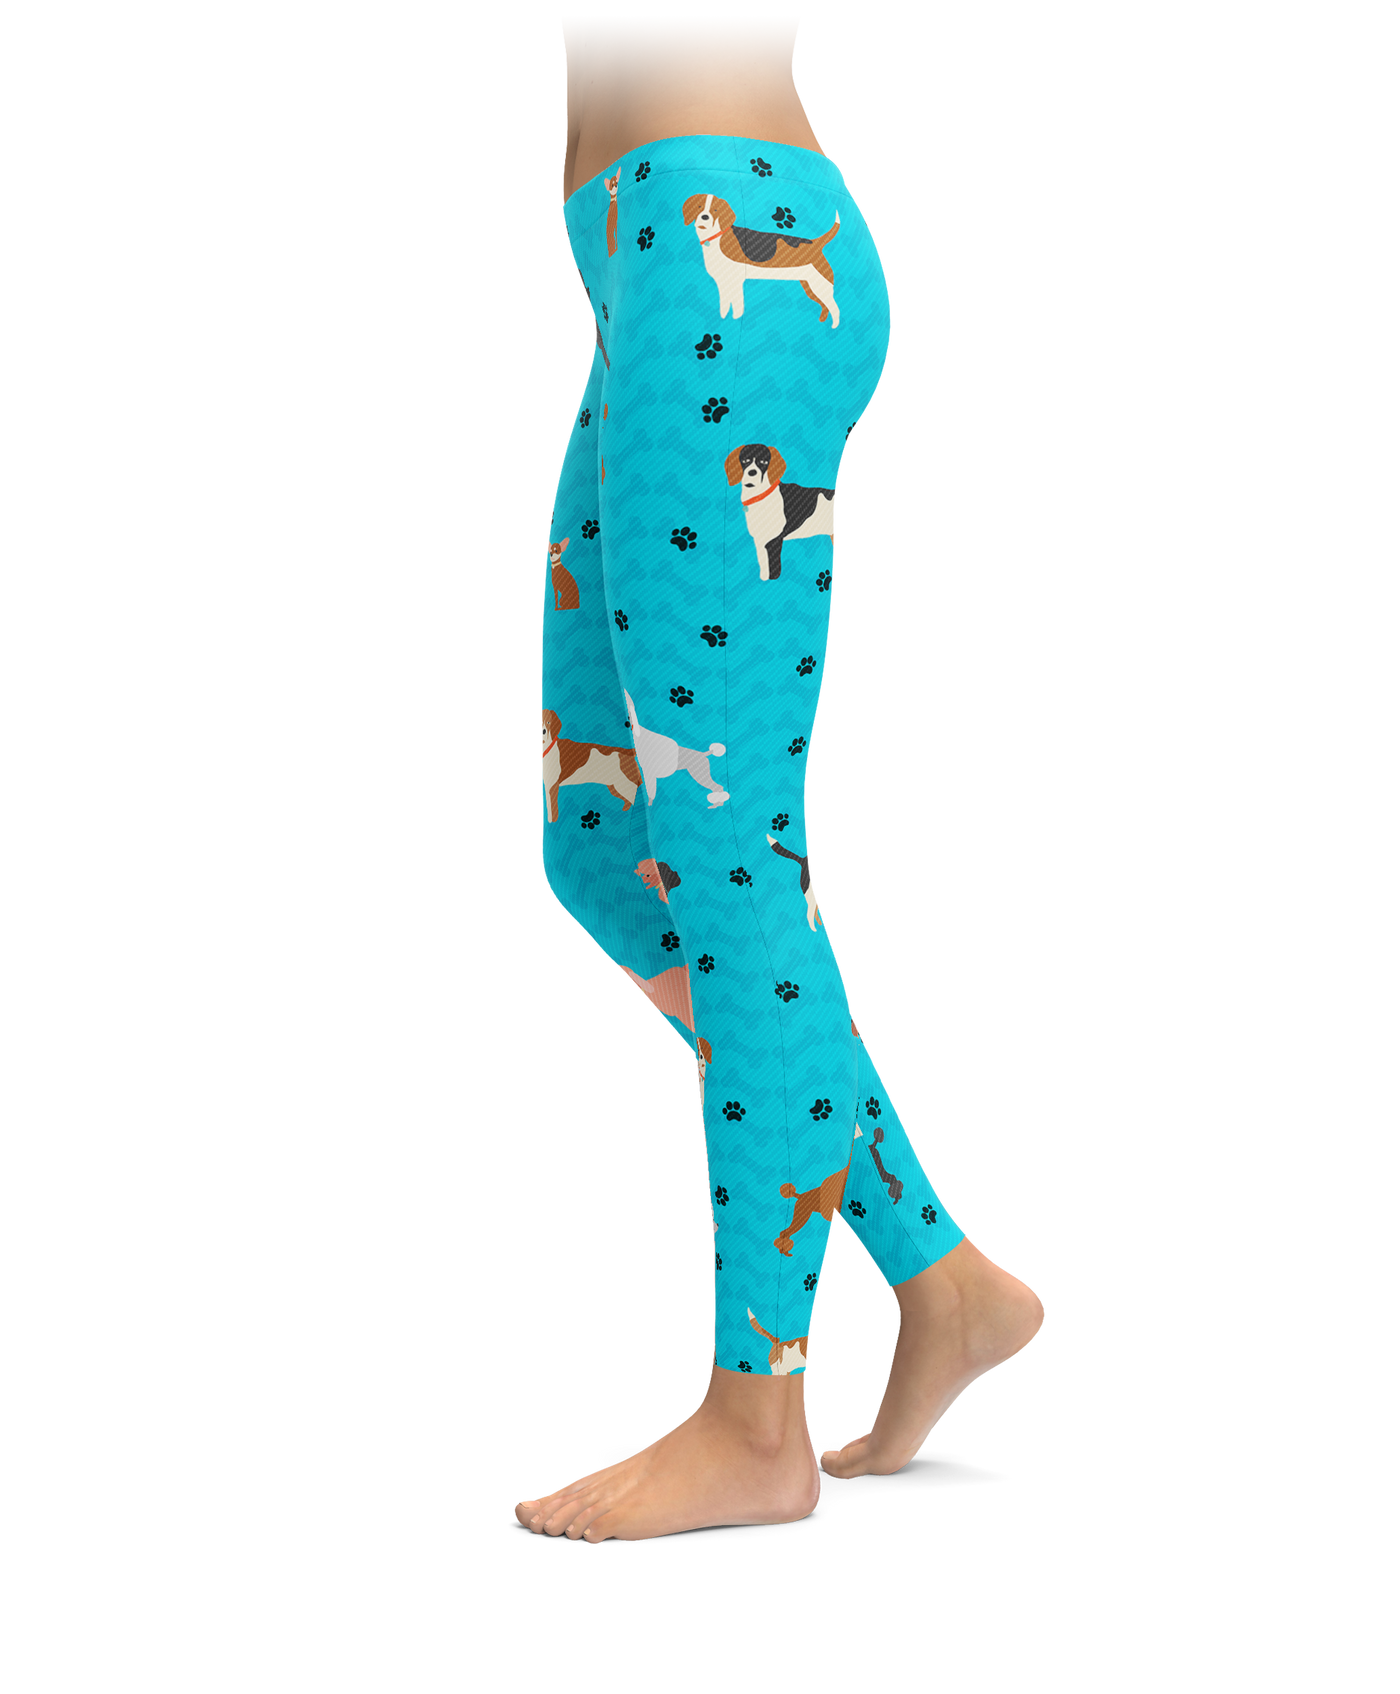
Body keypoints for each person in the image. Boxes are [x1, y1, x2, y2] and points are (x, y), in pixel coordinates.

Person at [523, 13, 1046, 1548]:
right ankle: (943, 1275)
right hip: (644, 272)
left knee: (733, 858)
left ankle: (760, 1416)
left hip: (718, 252)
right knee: (600, 840)